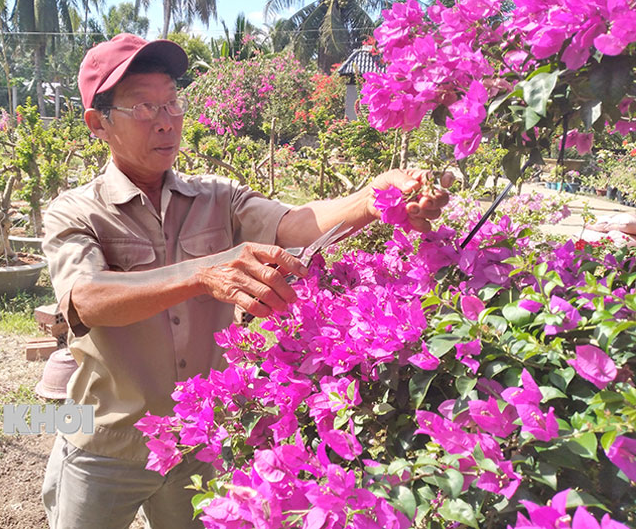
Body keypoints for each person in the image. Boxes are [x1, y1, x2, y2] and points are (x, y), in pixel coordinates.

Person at [40, 33, 452, 529]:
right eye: (144, 108)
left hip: (200, 439)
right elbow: (87, 299)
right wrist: (202, 273)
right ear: (98, 123)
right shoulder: (76, 211)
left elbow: (297, 223)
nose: (166, 119)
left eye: (172, 101)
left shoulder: (217, 197)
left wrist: (374, 198)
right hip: (105, 442)